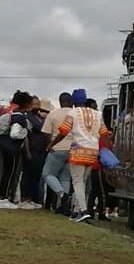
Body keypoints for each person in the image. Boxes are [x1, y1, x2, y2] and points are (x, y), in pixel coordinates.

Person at [47, 89, 110, 223]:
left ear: (74, 102)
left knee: (77, 181)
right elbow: (104, 134)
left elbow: (63, 132)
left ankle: (82, 210)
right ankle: (76, 211)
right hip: (93, 152)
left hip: (78, 151)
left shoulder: (72, 113)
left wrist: (52, 144)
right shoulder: (97, 114)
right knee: (83, 181)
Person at [41, 92, 74, 212]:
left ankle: (62, 195)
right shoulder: (76, 115)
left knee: (47, 174)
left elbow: (46, 132)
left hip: (57, 148)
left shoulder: (53, 114)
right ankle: (63, 206)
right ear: (71, 102)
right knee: (65, 178)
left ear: (60, 102)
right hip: (73, 149)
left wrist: (49, 145)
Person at [0, 91, 34, 206]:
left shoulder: (8, 115)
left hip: (4, 147)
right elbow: (14, 134)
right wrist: (24, 133)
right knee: (11, 173)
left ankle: (4, 195)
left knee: (5, 172)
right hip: (12, 149)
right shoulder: (19, 118)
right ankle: (5, 197)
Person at [18, 97, 48, 208]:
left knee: (36, 176)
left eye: (38, 104)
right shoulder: (28, 117)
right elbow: (40, 128)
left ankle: (33, 199)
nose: (36, 106)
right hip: (31, 150)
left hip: (41, 151)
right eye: (34, 104)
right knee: (28, 175)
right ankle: (25, 198)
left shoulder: (39, 117)